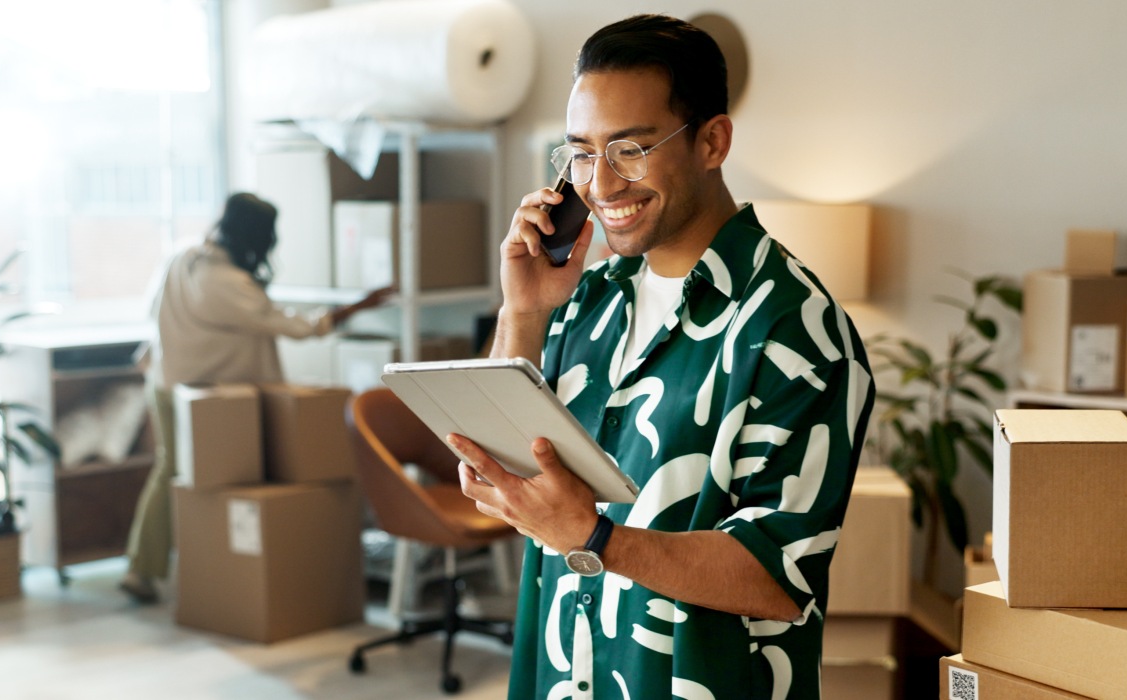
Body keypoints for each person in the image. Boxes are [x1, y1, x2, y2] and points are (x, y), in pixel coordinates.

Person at [448, 15, 875, 700]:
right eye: (581, 153)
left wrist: (595, 536)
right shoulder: (590, 298)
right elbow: (504, 464)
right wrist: (523, 313)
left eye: (631, 149)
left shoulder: (797, 329)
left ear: (713, 141)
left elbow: (778, 578)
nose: (601, 184)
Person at [121, 192, 389, 603]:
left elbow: (152, 316)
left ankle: (151, 567)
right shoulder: (228, 284)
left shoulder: (182, 260)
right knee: (215, 483)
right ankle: (180, 572)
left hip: (166, 384)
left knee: (172, 472)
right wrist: (359, 306)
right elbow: (295, 327)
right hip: (210, 401)